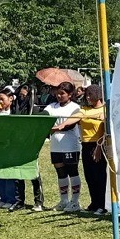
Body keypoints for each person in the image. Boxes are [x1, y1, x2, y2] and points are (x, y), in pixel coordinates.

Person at [55, 84, 107, 215]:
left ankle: (102, 205)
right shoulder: (84, 110)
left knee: (99, 176)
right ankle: (94, 203)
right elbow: (75, 118)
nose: (88, 97)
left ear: (98, 95)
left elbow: (107, 129)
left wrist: (99, 147)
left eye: (90, 95)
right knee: (89, 175)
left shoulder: (105, 110)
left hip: (99, 145)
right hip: (86, 145)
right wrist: (63, 125)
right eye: (87, 95)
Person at [44, 82, 82, 212]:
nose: (59, 96)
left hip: (70, 144)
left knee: (72, 171)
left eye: (62, 93)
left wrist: (53, 128)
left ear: (70, 94)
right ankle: (64, 200)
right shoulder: (52, 106)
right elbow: (43, 117)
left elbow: (69, 125)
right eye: (57, 93)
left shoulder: (75, 107)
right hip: (55, 145)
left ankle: (75, 202)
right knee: (60, 172)